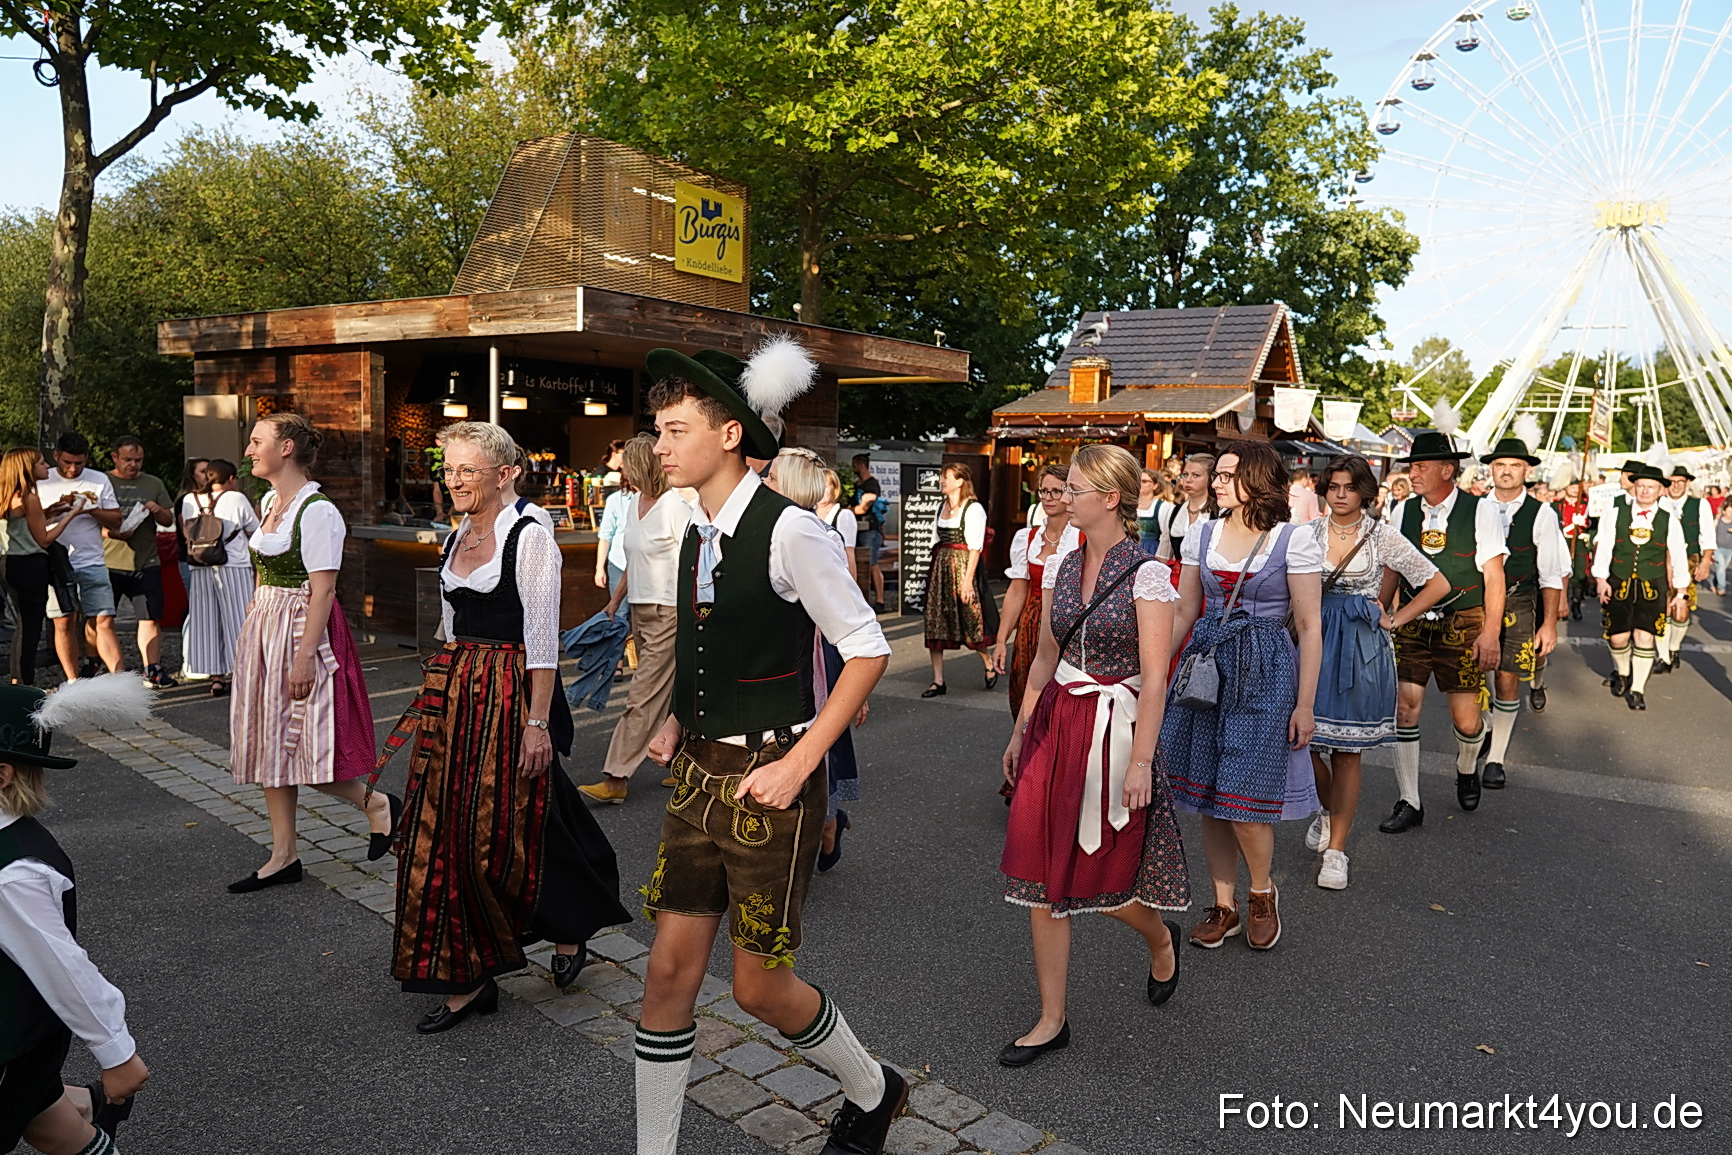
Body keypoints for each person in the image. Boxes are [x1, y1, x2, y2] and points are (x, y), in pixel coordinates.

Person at [634, 340, 902, 1155]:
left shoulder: (793, 533)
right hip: (699, 773)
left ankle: (872, 1084)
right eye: (658, 428)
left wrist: (797, 763)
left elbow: (866, 649)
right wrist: (679, 716)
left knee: (757, 987)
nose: (660, 445)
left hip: (773, 777)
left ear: (727, 435)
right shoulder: (691, 532)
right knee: (668, 973)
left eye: (676, 428)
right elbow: (707, 644)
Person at [384, 421, 629, 1030]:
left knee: (506, 818)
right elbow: (449, 628)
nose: (455, 480)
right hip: (458, 691)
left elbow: (541, 640)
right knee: (457, 824)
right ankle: (469, 975)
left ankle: (560, 926)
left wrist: (537, 723)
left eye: (468, 469)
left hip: (511, 692)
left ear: (505, 472)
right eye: (449, 469)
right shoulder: (453, 536)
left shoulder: (530, 534)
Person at [997, 444, 1188, 1068]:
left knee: (1104, 875)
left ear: (1110, 498)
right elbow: (1048, 657)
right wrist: (1022, 727)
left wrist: (1141, 763)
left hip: (1117, 731)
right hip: (1059, 721)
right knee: (1041, 873)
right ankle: (1052, 1019)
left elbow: (1155, 679)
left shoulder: (1148, 573)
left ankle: (1161, 938)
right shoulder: (1057, 564)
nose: (1060, 498)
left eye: (1072, 489)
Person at [1162, 441, 1321, 950]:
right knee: (1209, 796)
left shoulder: (1292, 539)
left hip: (1266, 670)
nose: (1217, 483)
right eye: (1218, 475)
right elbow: (1185, 612)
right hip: (1208, 666)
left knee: (1242, 798)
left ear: (1258, 478)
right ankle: (1224, 903)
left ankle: (1261, 892)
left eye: (1229, 475)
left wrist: (1305, 703)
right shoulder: (1200, 533)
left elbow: (1309, 626)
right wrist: (1152, 672)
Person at [225, 413, 391, 892]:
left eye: (258, 442)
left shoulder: (317, 511)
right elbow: (262, 574)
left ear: (287, 448)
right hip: (265, 628)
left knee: (300, 746)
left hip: (302, 631)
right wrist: (252, 635)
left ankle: (374, 803)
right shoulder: (270, 500)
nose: (250, 450)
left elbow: (323, 591)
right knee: (265, 744)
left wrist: (302, 658)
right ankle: (284, 855)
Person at [0, 676, 155, 1155]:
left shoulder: (14, 875)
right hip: (16, 1045)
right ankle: (82, 1107)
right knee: (53, 1129)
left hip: (11, 1044)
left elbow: (61, 965)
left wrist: (116, 1052)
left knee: (37, 1114)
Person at [1304, 457, 1449, 890]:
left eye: (1349, 487)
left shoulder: (1382, 535)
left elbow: (1436, 582)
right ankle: (1326, 810)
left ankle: (1337, 852)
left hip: (1361, 649)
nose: (1341, 494)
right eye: (1334, 486)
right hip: (1311, 642)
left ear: (1365, 492)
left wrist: (1396, 619)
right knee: (1304, 743)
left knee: (1348, 752)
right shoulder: (1304, 533)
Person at [1382, 432, 1507, 833]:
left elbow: (1494, 576)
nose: (1412, 473)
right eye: (1412, 466)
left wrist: (1490, 633)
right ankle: (1409, 800)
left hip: (1464, 620)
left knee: (1466, 720)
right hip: (1414, 621)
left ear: (1447, 470)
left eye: (1420, 467)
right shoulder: (1403, 511)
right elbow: (1393, 568)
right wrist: (1382, 612)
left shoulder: (1481, 510)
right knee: (1405, 706)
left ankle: (1468, 764)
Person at [765, 448, 869, 871]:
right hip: (780, 652)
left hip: (817, 652)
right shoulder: (766, 532)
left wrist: (856, 689)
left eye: (771, 477)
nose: (763, 482)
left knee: (818, 741)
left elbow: (848, 623)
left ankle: (826, 824)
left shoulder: (819, 536)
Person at [580, 435, 692, 805]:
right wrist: (614, 602)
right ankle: (682, 763)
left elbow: (697, 559)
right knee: (672, 689)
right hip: (640, 610)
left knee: (642, 695)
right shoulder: (633, 504)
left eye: (629, 462)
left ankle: (615, 777)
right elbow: (631, 560)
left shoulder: (675, 506)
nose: (622, 468)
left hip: (670, 611)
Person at [1478, 438, 1567, 785]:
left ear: (1526, 471)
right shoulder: (1475, 507)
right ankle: (1483, 726)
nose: (1506, 471)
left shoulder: (1542, 513)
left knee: (1507, 677)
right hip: (1476, 601)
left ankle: (1496, 758)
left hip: (1518, 601)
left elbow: (1550, 572)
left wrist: (1549, 624)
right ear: (1491, 469)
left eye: (1514, 465)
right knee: (1476, 677)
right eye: (1500, 465)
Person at [1593, 464, 1688, 711]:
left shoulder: (1669, 520)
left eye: (1651, 487)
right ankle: (1623, 673)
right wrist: (1601, 578)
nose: (1645, 491)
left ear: (1660, 491)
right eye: (1641, 486)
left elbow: (1678, 555)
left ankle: (1637, 689)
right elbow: (1604, 546)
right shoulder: (1614, 513)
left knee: (1644, 636)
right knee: (1618, 637)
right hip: (1618, 582)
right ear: (1635, 487)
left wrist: (1680, 592)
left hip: (1652, 585)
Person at [994, 463, 1081, 724]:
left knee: (1061, 702)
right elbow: (1017, 592)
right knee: (1024, 694)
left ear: (1070, 494)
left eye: (1056, 491)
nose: (1048, 497)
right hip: (1031, 626)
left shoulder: (1082, 538)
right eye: (1044, 491)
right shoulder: (1027, 537)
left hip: (1068, 629)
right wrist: (1001, 640)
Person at [36, 433, 123, 681]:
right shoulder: (43, 479)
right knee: (64, 621)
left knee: (104, 619)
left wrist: (91, 509)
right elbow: (32, 520)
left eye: (80, 463)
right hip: (56, 562)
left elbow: (116, 519)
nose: (73, 469)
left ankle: (119, 678)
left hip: (92, 559)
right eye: (67, 463)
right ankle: (73, 681)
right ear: (56, 457)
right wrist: (53, 511)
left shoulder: (98, 479)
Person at [179, 459, 259, 697]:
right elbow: (254, 531)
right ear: (231, 478)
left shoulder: (189, 500)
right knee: (239, 620)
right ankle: (243, 675)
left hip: (200, 564)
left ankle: (216, 677)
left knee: (207, 621)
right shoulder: (236, 498)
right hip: (233, 564)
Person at [102, 437, 178, 688]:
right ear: (115, 458)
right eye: (127, 460)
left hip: (146, 562)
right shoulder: (103, 481)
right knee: (102, 619)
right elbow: (89, 520)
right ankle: (116, 675)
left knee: (149, 617)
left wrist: (158, 510)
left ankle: (152, 669)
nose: (133, 465)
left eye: (138, 460)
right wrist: (109, 533)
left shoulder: (153, 483)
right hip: (108, 561)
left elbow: (168, 520)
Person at [922, 462, 999, 696]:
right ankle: (938, 681)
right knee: (934, 621)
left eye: (946, 477)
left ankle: (987, 662)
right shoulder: (940, 507)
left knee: (970, 620)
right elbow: (936, 540)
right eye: (941, 477)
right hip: (941, 569)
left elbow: (975, 548)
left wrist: (967, 581)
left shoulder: (973, 509)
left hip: (964, 567)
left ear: (959, 481)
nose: (941, 481)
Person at [0, 449, 71, 687]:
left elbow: (25, 528)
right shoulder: (29, 497)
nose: (47, 466)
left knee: (23, 622)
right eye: (41, 463)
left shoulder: (6, 495)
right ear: (27, 468)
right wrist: (71, 516)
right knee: (31, 626)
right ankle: (24, 681)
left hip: (8, 563)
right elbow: (43, 539)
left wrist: (49, 514)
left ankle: (17, 678)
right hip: (30, 563)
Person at [1656, 466, 1715, 675]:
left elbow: (1708, 535)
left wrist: (1706, 561)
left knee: (1681, 610)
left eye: (1680, 481)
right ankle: (1662, 657)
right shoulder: (1658, 503)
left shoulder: (1700, 505)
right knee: (1661, 607)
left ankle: (1673, 648)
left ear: (1687, 483)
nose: (1676, 485)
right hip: (1660, 559)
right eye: (1672, 481)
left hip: (1689, 559)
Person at [1152, 453, 1216, 583]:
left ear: (1210, 478)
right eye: (1185, 474)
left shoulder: (1219, 513)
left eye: (1196, 475)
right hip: (1179, 582)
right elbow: (1163, 556)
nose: (1188, 479)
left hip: (1210, 585)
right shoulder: (1174, 511)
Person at [850, 454, 887, 612]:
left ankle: (880, 600)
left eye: (855, 465)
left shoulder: (872, 485)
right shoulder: (855, 485)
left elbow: (863, 508)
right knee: (863, 564)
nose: (853, 469)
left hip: (871, 529)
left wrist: (847, 511)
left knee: (873, 563)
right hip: (857, 528)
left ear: (861, 466)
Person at [1557, 479, 1591, 620]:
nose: (1575, 490)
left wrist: (1585, 523)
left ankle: (1576, 603)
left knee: (1580, 574)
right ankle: (1561, 603)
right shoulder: (1557, 505)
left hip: (1580, 542)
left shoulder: (1586, 505)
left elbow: (1594, 523)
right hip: (1563, 541)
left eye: (1578, 487)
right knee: (1561, 573)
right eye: (1572, 486)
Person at [816, 469, 859, 551]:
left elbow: (848, 553)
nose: (819, 490)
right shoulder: (808, 513)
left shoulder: (844, 515)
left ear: (835, 489)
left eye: (824, 486)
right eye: (816, 486)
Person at [1713, 500, 1732, 594]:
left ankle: (1715, 582)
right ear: (1724, 512)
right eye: (1729, 511)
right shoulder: (1718, 521)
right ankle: (1721, 588)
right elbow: (1711, 531)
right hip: (1718, 548)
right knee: (1720, 567)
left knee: (1723, 568)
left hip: (1730, 549)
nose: (1731, 514)